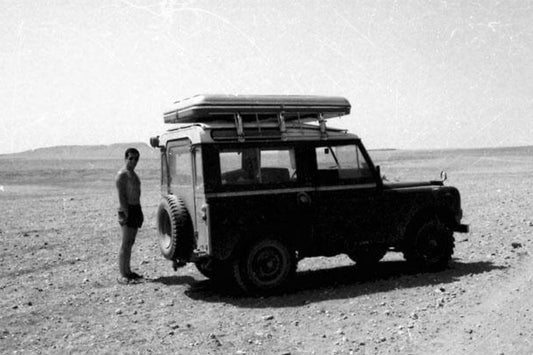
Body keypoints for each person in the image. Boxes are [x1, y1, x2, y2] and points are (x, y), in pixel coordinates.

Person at [115, 148, 144, 284]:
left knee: (131, 242)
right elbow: (121, 196)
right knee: (125, 242)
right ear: (125, 158)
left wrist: (139, 211)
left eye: (136, 159)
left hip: (135, 208)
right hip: (127, 209)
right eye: (131, 158)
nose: (133, 161)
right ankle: (123, 274)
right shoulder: (122, 175)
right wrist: (126, 214)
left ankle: (128, 271)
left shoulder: (134, 175)